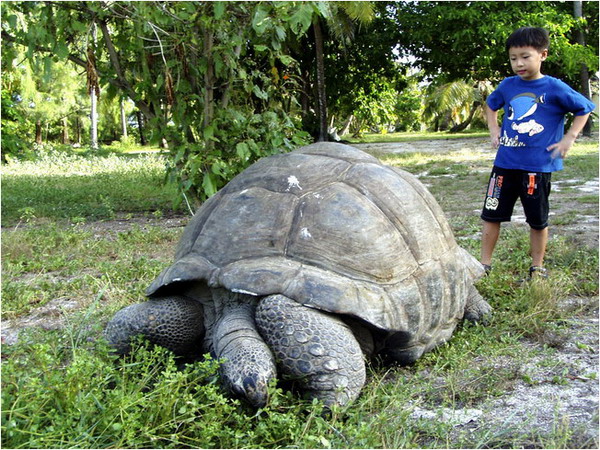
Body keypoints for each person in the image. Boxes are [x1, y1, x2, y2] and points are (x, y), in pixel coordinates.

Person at [480, 26, 595, 278]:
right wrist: (493, 129)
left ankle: (537, 267)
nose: (518, 63)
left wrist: (570, 137)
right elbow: (491, 105)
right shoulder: (508, 85)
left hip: (537, 168)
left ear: (542, 55)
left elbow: (584, 108)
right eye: (513, 58)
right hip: (504, 165)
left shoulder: (554, 87)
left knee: (537, 220)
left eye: (525, 56)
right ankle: (483, 266)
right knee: (491, 215)